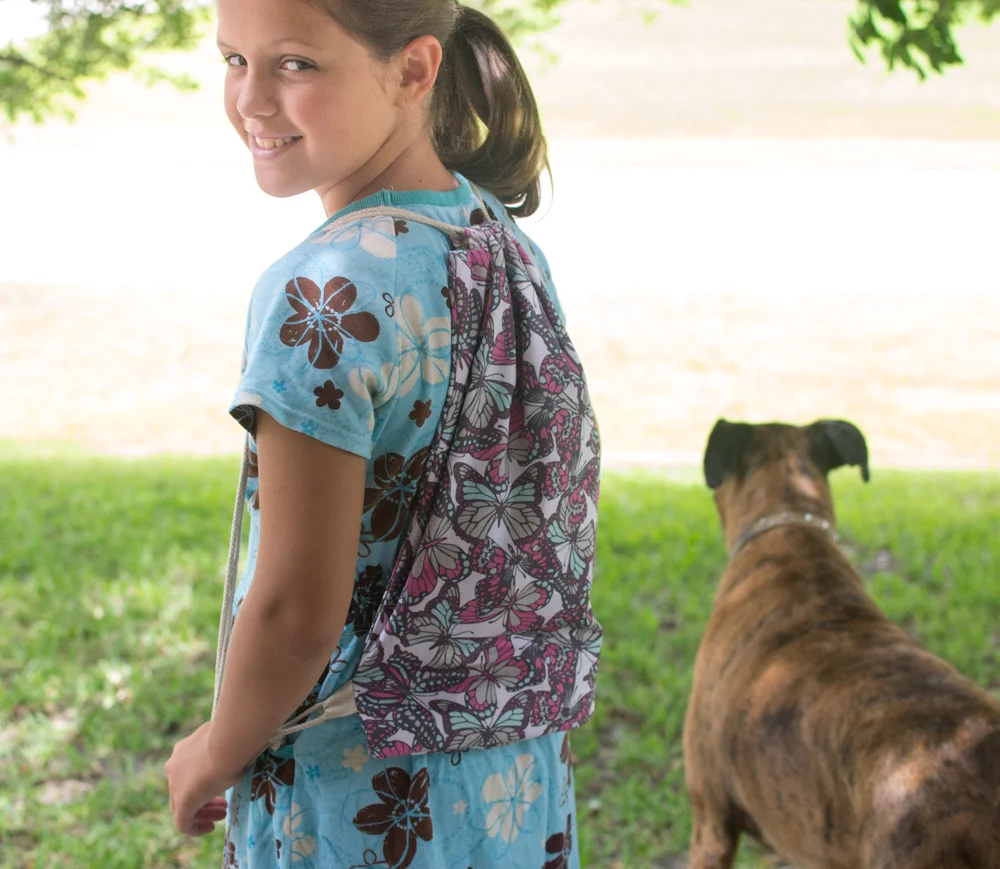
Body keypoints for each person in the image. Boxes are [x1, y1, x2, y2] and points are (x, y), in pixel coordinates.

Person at [165, 0, 601, 866]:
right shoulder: (500, 242)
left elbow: (296, 612)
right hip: (510, 780)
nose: (251, 99)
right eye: (233, 60)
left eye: (295, 63)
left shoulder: (322, 296)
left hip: (364, 797)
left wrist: (214, 748)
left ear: (413, 69)